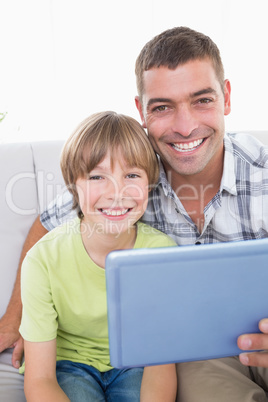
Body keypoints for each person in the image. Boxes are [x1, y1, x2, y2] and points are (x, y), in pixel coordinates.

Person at [1, 25, 268, 401]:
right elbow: (47, 225)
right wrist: (15, 321)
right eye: (162, 107)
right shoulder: (131, 178)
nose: (185, 125)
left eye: (202, 100)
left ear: (225, 97)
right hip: (208, 353)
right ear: (141, 110)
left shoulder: (262, 176)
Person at [19, 111, 177, 402]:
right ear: (73, 187)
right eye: (96, 176)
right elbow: (40, 380)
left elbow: (160, 366)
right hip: (67, 365)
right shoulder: (42, 260)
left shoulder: (163, 255)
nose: (116, 192)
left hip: (135, 364)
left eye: (131, 175)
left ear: (149, 183)